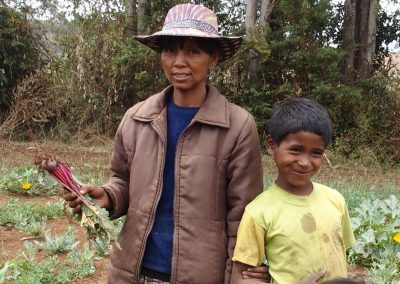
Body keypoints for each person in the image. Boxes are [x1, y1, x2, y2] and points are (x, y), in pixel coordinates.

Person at [64, 3, 268, 284]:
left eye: (193, 51)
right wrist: (108, 196)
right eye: (170, 50)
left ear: (214, 59)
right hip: (135, 271)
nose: (178, 61)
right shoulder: (137, 119)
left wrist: (239, 277)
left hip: (202, 275)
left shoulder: (237, 127)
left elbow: (244, 217)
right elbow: (123, 180)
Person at [231, 98, 356, 284]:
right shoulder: (258, 212)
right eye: (296, 150)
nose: (305, 162)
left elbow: (341, 256)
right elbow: (240, 278)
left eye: (316, 153)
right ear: (272, 145)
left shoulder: (335, 199)